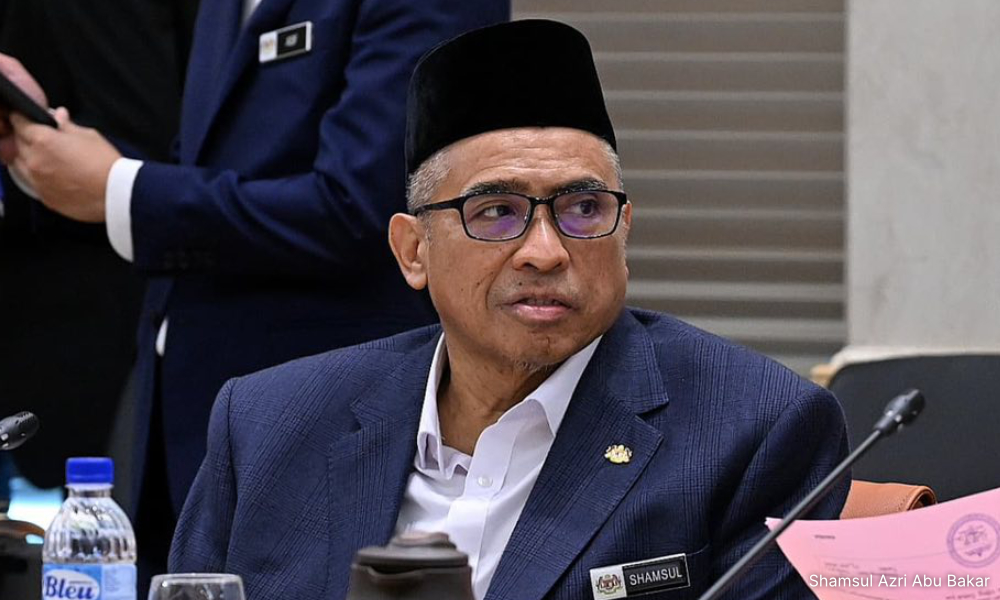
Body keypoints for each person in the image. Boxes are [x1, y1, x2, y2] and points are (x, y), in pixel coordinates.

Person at [169, 20, 849, 600]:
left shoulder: (754, 429)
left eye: (584, 209)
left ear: (625, 231)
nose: (545, 252)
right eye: (496, 212)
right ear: (413, 251)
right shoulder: (268, 425)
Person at [0, 0, 509, 591]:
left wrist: (122, 189)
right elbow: (207, 158)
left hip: (329, 420)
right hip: (177, 398)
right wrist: (53, 145)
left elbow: (365, 210)